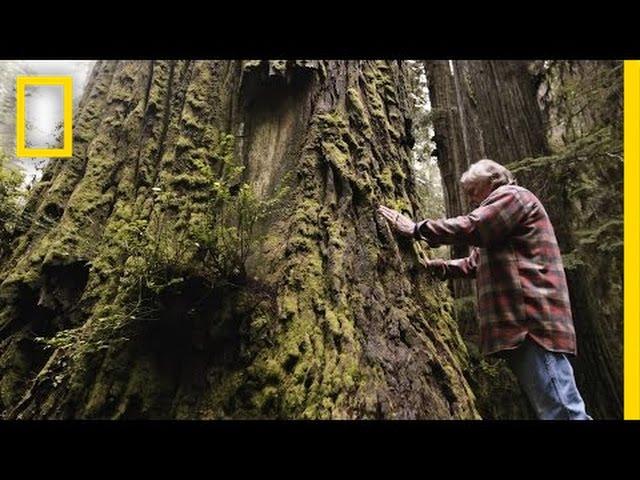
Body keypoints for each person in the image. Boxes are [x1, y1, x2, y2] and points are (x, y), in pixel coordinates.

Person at [378, 159, 592, 420]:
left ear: (494, 180)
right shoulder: (500, 219)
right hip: (520, 324)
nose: (470, 198)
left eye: (473, 190)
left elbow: (473, 226)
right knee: (552, 408)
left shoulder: (512, 196)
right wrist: (440, 267)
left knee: (562, 411)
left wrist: (417, 229)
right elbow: (474, 264)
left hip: (532, 322)